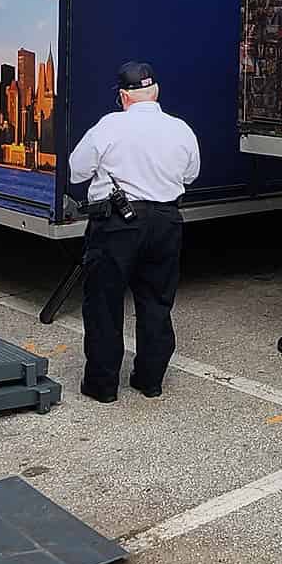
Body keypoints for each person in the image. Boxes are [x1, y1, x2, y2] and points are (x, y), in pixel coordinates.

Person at [65, 59, 199, 402]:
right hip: (166, 222)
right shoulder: (181, 129)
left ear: (124, 96)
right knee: (156, 302)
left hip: (116, 224)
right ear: (156, 93)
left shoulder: (109, 126)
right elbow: (190, 175)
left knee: (104, 304)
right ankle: (150, 381)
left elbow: (76, 171)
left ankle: (103, 385)